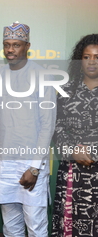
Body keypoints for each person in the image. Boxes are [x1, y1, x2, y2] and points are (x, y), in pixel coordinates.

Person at [0, 22, 56, 236]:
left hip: (31, 164)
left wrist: (35, 167)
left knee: (36, 226)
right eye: (6, 44)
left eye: (16, 44)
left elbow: (47, 126)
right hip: (4, 163)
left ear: (27, 46)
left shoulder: (42, 76)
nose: (10, 49)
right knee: (11, 225)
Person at [52, 34, 98, 237]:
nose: (92, 62)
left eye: (97, 57)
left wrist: (92, 150)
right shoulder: (65, 91)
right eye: (86, 56)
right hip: (73, 170)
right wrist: (72, 150)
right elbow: (56, 126)